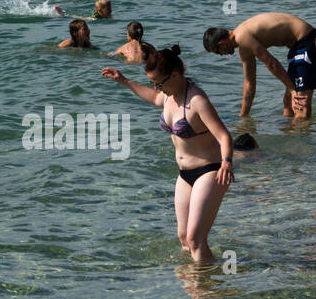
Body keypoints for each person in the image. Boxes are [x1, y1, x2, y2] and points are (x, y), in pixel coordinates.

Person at [101, 47, 235, 263]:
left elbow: (224, 136)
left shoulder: (197, 100)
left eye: (159, 82)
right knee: (183, 238)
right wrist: (124, 81)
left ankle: (206, 291)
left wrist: (227, 162)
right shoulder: (166, 95)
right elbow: (154, 98)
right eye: (153, 82)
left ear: (175, 75)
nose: (156, 87)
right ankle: (194, 281)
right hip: (184, 175)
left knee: (195, 238)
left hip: (210, 171)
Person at [203, 12, 316, 117]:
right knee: (288, 103)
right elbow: (249, 84)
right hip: (296, 47)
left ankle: (301, 139)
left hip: (307, 40)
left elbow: (271, 63)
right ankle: (290, 138)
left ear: (221, 44)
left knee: (299, 103)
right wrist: (244, 116)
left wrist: (292, 89)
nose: (222, 55)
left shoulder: (242, 36)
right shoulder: (243, 49)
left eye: (218, 52)